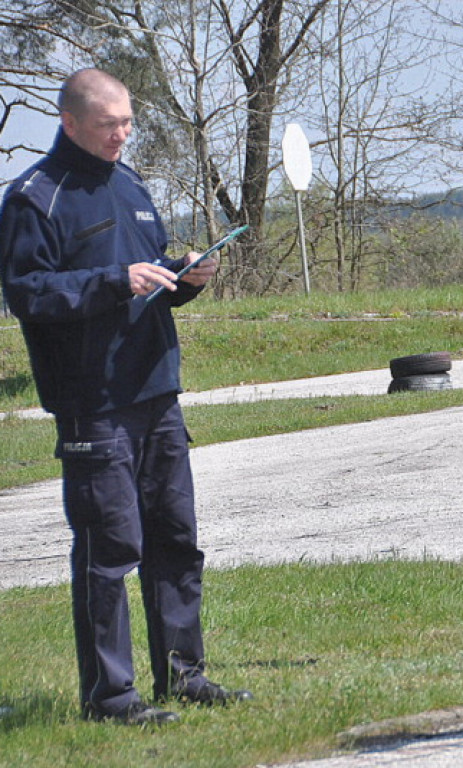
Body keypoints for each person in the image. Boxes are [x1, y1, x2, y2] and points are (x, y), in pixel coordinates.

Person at [0, 68, 252, 725]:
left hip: (157, 390)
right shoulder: (35, 197)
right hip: (93, 401)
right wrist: (115, 281)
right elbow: (27, 293)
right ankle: (111, 699)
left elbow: (153, 273)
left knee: (175, 538)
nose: (123, 133)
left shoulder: (134, 185)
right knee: (111, 550)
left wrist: (188, 276)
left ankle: (184, 676)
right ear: (71, 124)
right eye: (111, 123)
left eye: (129, 121)